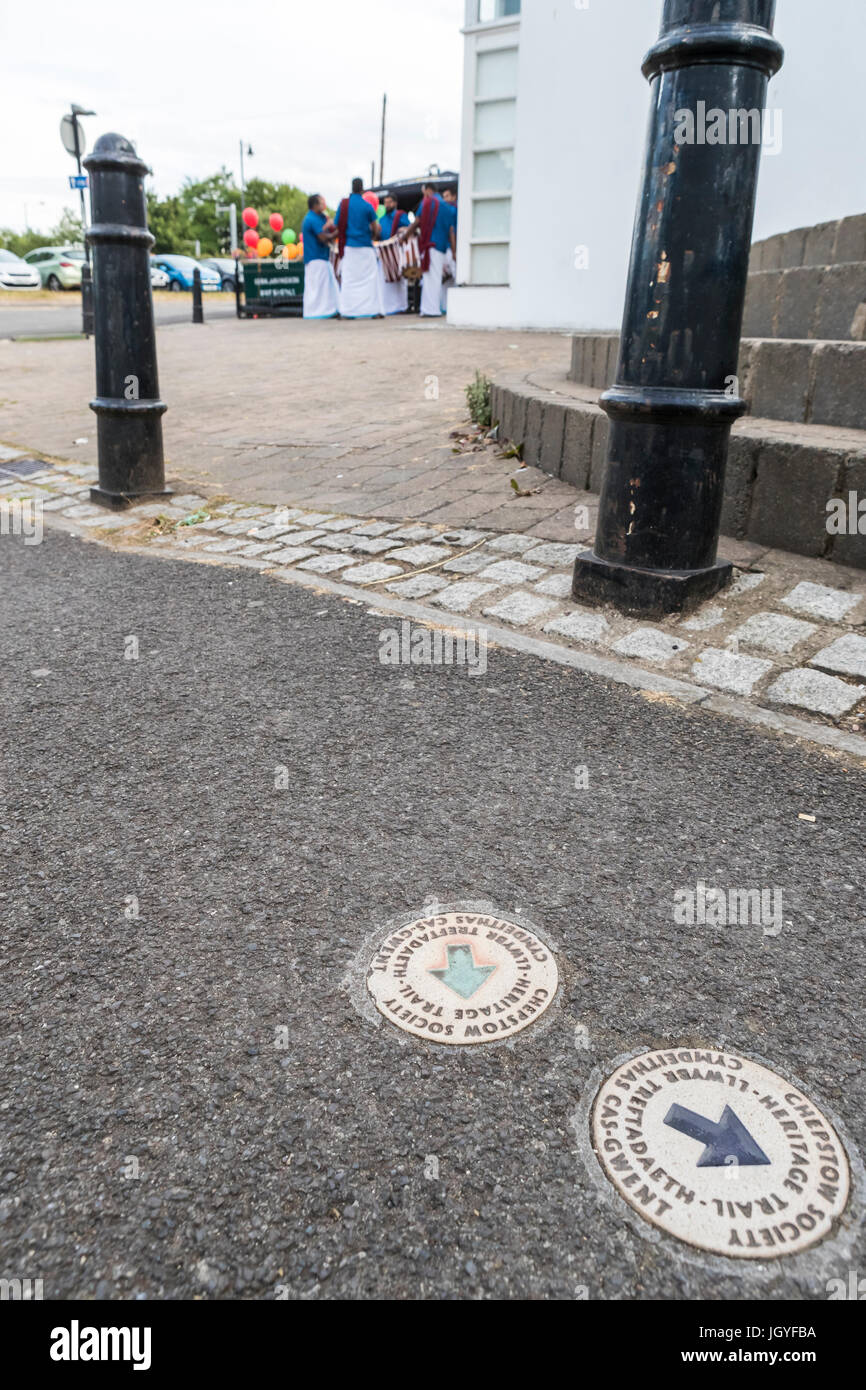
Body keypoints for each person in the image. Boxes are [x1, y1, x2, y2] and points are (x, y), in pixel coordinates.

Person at [335, 176, 383, 319]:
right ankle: (373, 310)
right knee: (370, 280)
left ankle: (348, 311)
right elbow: (376, 229)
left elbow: (338, 225)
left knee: (349, 280)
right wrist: (373, 235)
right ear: (363, 189)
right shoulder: (367, 206)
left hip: (350, 247)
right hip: (365, 248)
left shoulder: (344, 205)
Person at [403, 181, 451, 317]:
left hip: (430, 245)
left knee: (430, 278)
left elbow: (417, 221)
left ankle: (430, 309)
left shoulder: (428, 203)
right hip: (442, 246)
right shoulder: (446, 206)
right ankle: (434, 307)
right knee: (436, 278)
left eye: (424, 193)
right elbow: (451, 230)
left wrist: (405, 236)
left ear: (428, 191)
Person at [301, 194, 339, 319]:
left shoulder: (320, 218)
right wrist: (339, 232)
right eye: (322, 203)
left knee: (324, 288)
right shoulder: (311, 219)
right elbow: (323, 238)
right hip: (315, 258)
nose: (324, 205)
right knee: (317, 289)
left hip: (322, 257)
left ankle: (327, 310)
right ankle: (318, 312)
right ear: (315, 205)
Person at [377, 192, 410, 315]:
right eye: (385, 203)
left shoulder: (401, 215)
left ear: (395, 203)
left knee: (399, 279)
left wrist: (404, 229)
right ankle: (387, 307)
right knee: (384, 280)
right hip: (384, 252)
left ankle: (401, 306)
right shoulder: (381, 219)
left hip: (397, 251)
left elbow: (409, 229)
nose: (387, 205)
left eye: (389, 202)